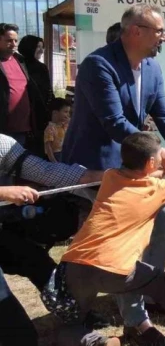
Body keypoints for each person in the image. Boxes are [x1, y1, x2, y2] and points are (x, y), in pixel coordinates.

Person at [62, 4, 165, 344]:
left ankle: (141, 298)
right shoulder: (98, 65)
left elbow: (164, 116)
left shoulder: (153, 67)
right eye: (160, 31)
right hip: (94, 167)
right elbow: (114, 123)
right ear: (136, 31)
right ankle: (136, 320)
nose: (164, 38)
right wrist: (162, 155)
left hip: (134, 166)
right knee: (134, 228)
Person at [53, 132, 165, 346]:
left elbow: (145, 174)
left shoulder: (110, 176)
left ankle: (95, 341)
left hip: (74, 263)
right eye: (159, 159)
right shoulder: (157, 189)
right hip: (114, 268)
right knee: (160, 282)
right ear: (150, 162)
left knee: (72, 323)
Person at [0, 133, 104, 346]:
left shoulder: (2, 144)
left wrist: (107, 176)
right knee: (16, 328)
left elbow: (47, 172)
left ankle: (75, 315)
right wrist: (3, 192)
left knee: (35, 260)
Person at [0, 24, 49, 155]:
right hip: (3, 131)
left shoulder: (20, 60)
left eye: (15, 40)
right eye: (9, 40)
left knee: (17, 165)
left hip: (23, 129)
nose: (13, 44)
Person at [18, 35, 54, 112]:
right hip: (21, 108)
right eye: (38, 47)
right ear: (29, 47)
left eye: (42, 47)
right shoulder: (17, 64)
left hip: (39, 110)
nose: (41, 51)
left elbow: (48, 90)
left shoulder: (42, 67)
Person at [44, 98, 71, 162]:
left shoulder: (65, 125)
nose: (68, 115)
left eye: (68, 112)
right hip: (57, 154)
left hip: (66, 153)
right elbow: (48, 147)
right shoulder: (50, 129)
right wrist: (54, 161)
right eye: (65, 112)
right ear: (55, 113)